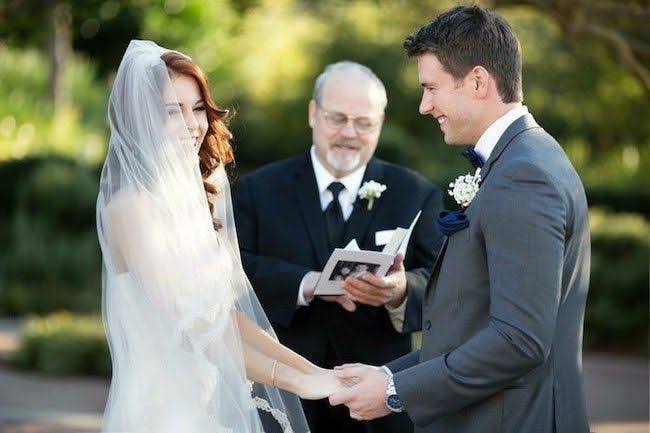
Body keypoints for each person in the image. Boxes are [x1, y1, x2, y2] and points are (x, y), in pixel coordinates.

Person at [329, 6, 591, 433]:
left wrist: (396, 393)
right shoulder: (520, 159)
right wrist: (389, 376)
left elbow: (518, 340)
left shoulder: (525, 174)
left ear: (477, 81)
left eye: (431, 88)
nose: (423, 106)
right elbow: (474, 320)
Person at [97, 40, 345, 433]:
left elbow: (222, 316)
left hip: (210, 401)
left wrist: (313, 370)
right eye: (171, 112)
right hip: (163, 412)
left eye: (197, 108)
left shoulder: (191, 199)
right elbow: (191, 329)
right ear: (139, 119)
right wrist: (297, 382)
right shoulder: (130, 208)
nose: (194, 124)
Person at [233, 61, 444, 433]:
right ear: (313, 114)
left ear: (381, 122)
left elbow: (444, 282)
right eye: (337, 119)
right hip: (282, 389)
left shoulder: (416, 194)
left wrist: (398, 291)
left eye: (364, 123)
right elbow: (233, 270)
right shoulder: (258, 189)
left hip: (377, 398)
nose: (350, 133)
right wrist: (304, 283)